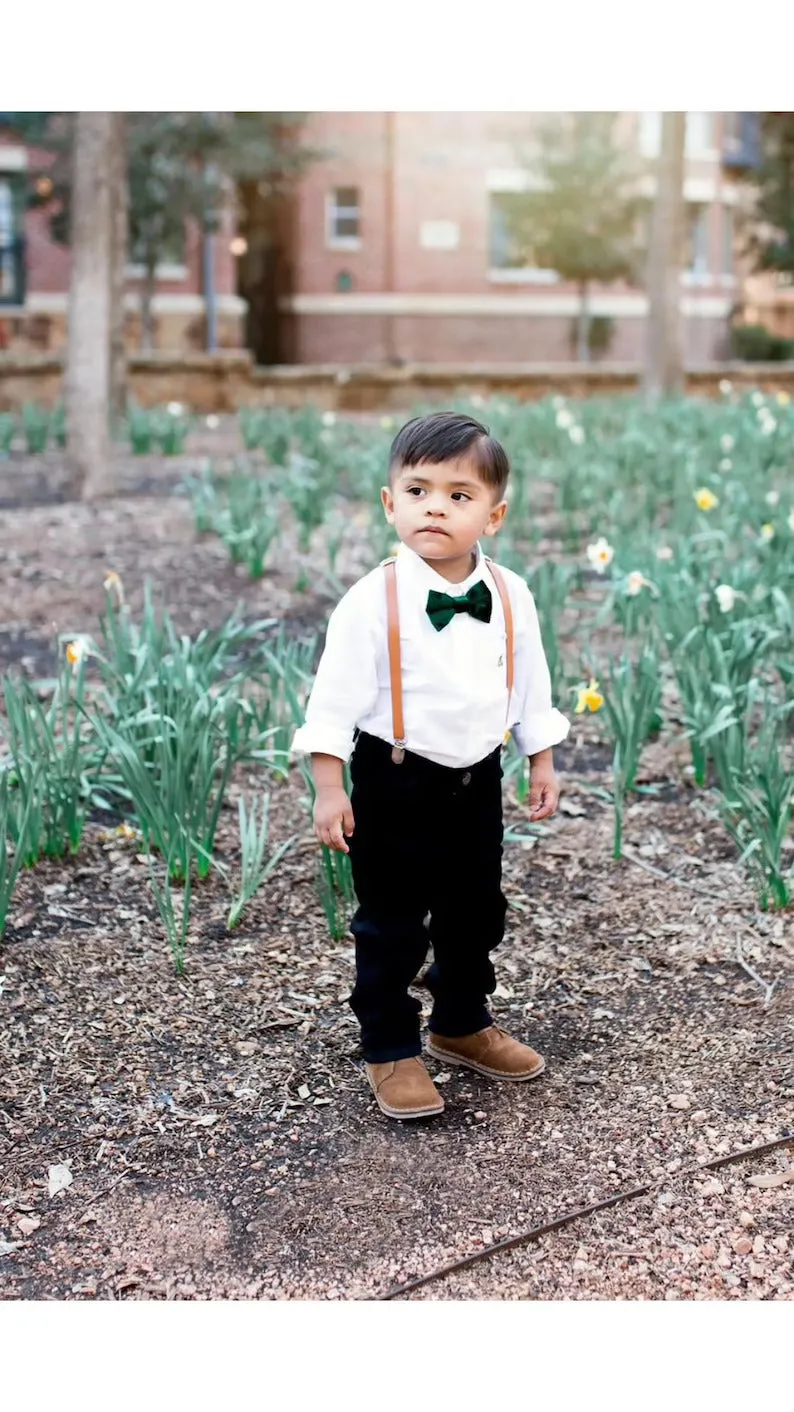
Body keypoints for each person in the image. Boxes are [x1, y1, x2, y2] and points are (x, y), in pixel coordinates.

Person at [292, 411, 570, 1121]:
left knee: (474, 910)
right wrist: (330, 786)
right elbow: (332, 701)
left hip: (478, 780)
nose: (435, 508)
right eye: (417, 491)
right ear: (390, 504)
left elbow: (529, 681)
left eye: (458, 495)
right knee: (391, 922)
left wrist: (541, 757)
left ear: (494, 514)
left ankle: (460, 1022)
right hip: (394, 780)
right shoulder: (370, 601)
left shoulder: (510, 593)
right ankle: (390, 1046)